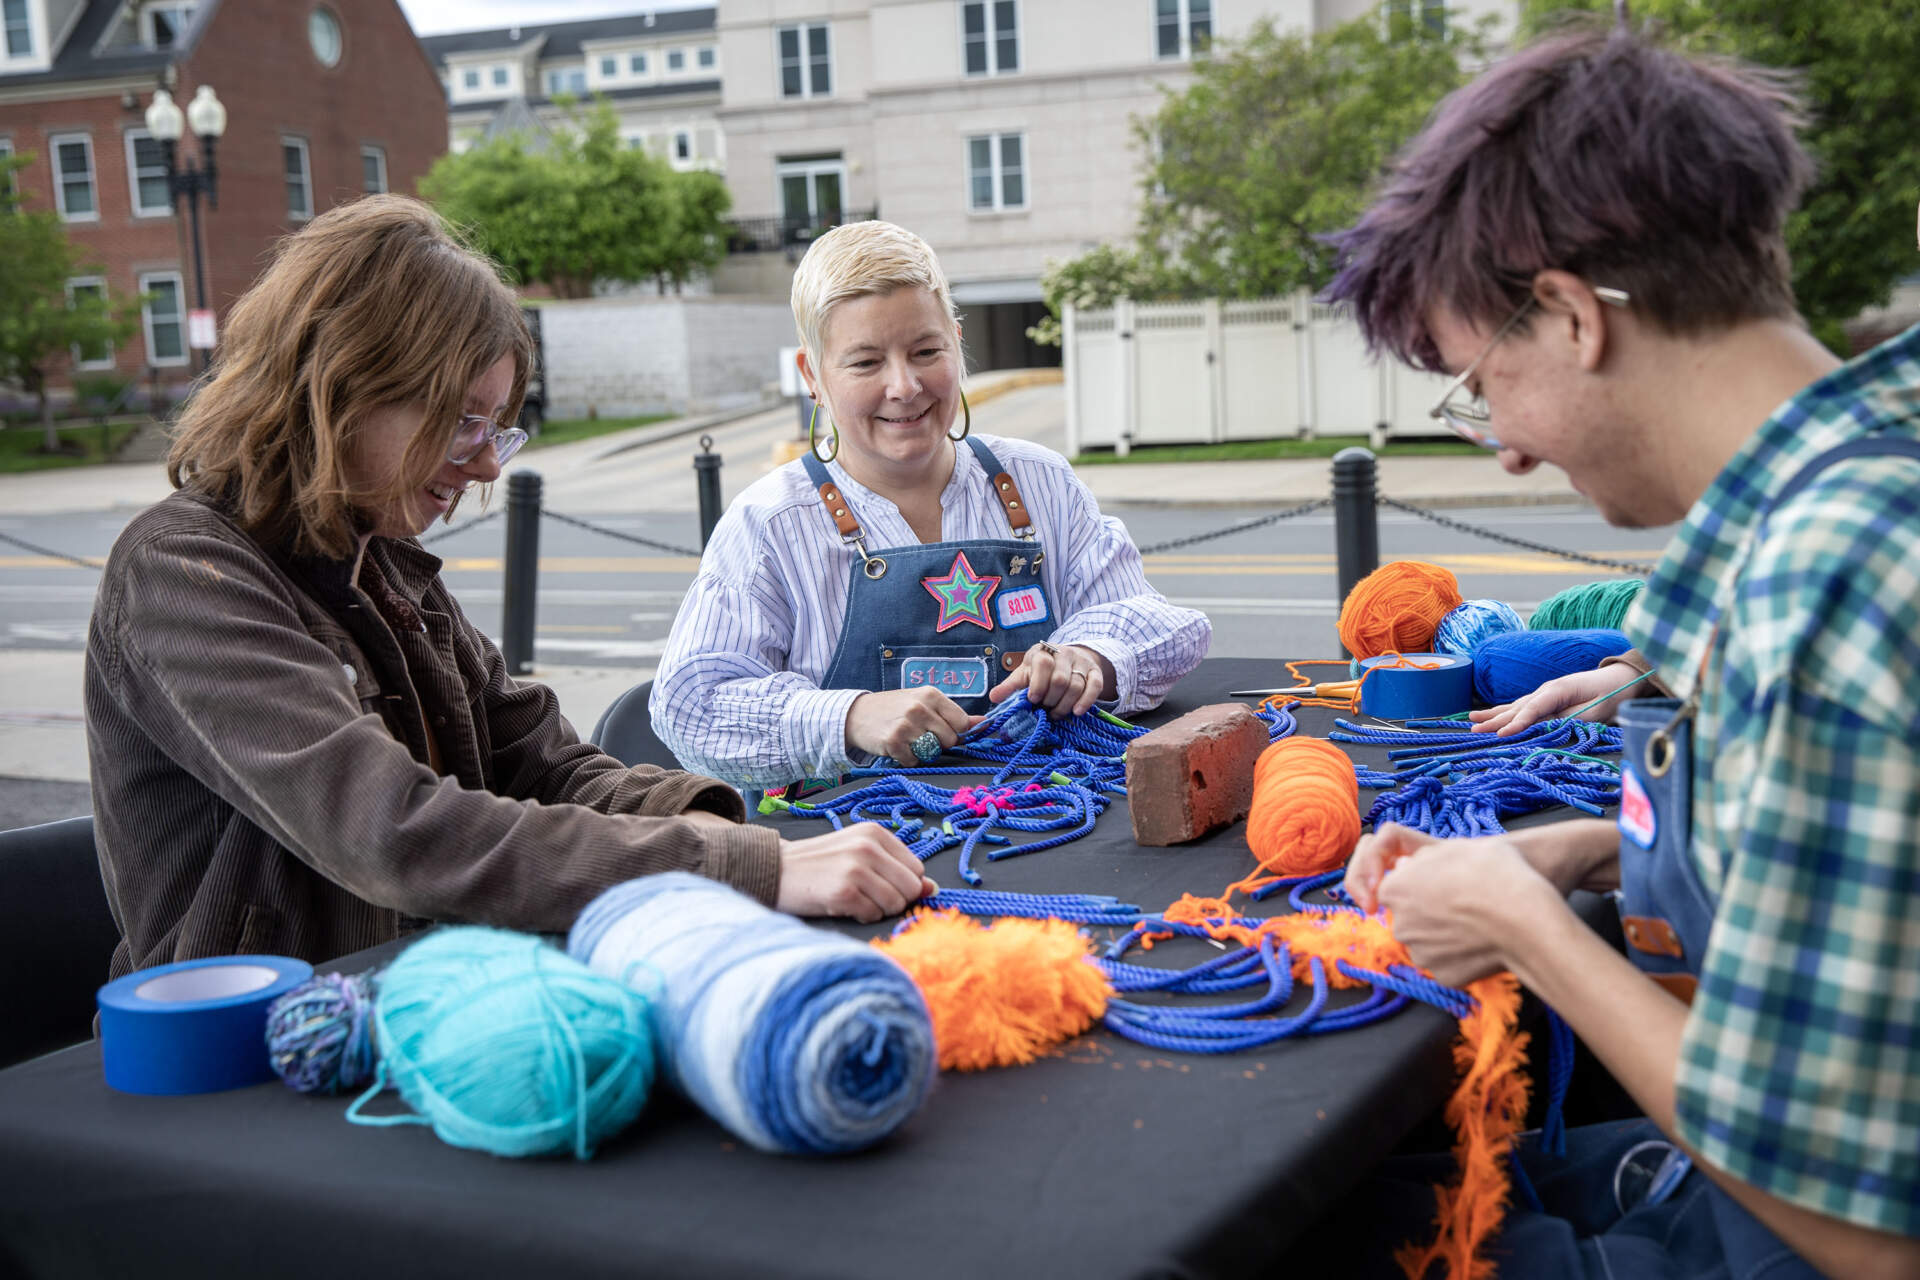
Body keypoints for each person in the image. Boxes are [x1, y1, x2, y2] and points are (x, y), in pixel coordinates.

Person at [1321, 18, 1920, 1280]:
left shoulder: (1831, 578)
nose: (1508, 446)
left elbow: (1867, 1233)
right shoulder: (1867, 481)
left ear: (1569, 315)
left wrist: (1527, 923)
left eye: (1480, 387)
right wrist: (1598, 844)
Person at [85, 196, 936, 982]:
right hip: (244, 1055)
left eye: (498, 427)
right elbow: (396, 833)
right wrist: (747, 866)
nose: (489, 462)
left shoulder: (376, 558)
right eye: (463, 421)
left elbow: (547, 766)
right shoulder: (183, 574)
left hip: (419, 1002)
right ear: (338, 388)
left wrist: (724, 833)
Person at [651, 220, 1209, 789]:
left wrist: (1091, 657)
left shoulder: (1041, 481)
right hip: (852, 849)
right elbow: (691, 706)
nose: (905, 385)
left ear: (957, 346)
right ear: (812, 376)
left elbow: (1160, 624)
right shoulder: (767, 524)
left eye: (925, 351)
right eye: (866, 362)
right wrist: (849, 716)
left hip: (1042, 816)